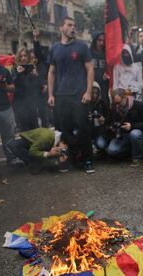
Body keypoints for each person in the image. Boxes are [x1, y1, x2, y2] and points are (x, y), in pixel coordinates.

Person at [47, 16, 95, 173]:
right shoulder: (54, 48)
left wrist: (88, 91)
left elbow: (90, 69)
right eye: (69, 25)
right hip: (61, 96)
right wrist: (51, 95)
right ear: (61, 28)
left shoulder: (82, 46)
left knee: (83, 129)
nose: (73, 28)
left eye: (74, 25)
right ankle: (75, 156)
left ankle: (88, 160)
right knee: (64, 130)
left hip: (79, 95)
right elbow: (52, 72)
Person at [106, 88, 143, 166]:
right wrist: (111, 127)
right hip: (122, 136)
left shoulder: (139, 105)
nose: (117, 105)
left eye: (119, 102)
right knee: (111, 151)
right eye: (116, 103)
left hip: (136, 134)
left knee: (135, 134)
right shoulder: (115, 107)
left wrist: (132, 126)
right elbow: (110, 122)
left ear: (125, 97)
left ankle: (137, 157)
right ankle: (132, 152)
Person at [12, 47, 39, 131]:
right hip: (19, 104)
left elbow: (36, 86)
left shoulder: (32, 68)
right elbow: (13, 84)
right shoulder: (14, 68)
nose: (23, 58)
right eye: (21, 56)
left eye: (25, 55)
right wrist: (18, 74)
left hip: (31, 103)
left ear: (28, 57)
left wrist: (35, 76)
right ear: (18, 58)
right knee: (24, 129)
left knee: (35, 127)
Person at [90, 81, 110, 154]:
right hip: (87, 132)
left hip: (99, 132)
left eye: (96, 93)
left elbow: (110, 117)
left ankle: (96, 145)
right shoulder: (84, 104)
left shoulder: (102, 103)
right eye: (92, 93)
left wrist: (104, 119)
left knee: (101, 144)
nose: (94, 95)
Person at [90, 32, 110, 106]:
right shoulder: (88, 53)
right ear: (95, 40)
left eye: (104, 41)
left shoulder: (107, 54)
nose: (102, 43)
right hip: (91, 86)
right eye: (99, 40)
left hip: (104, 86)